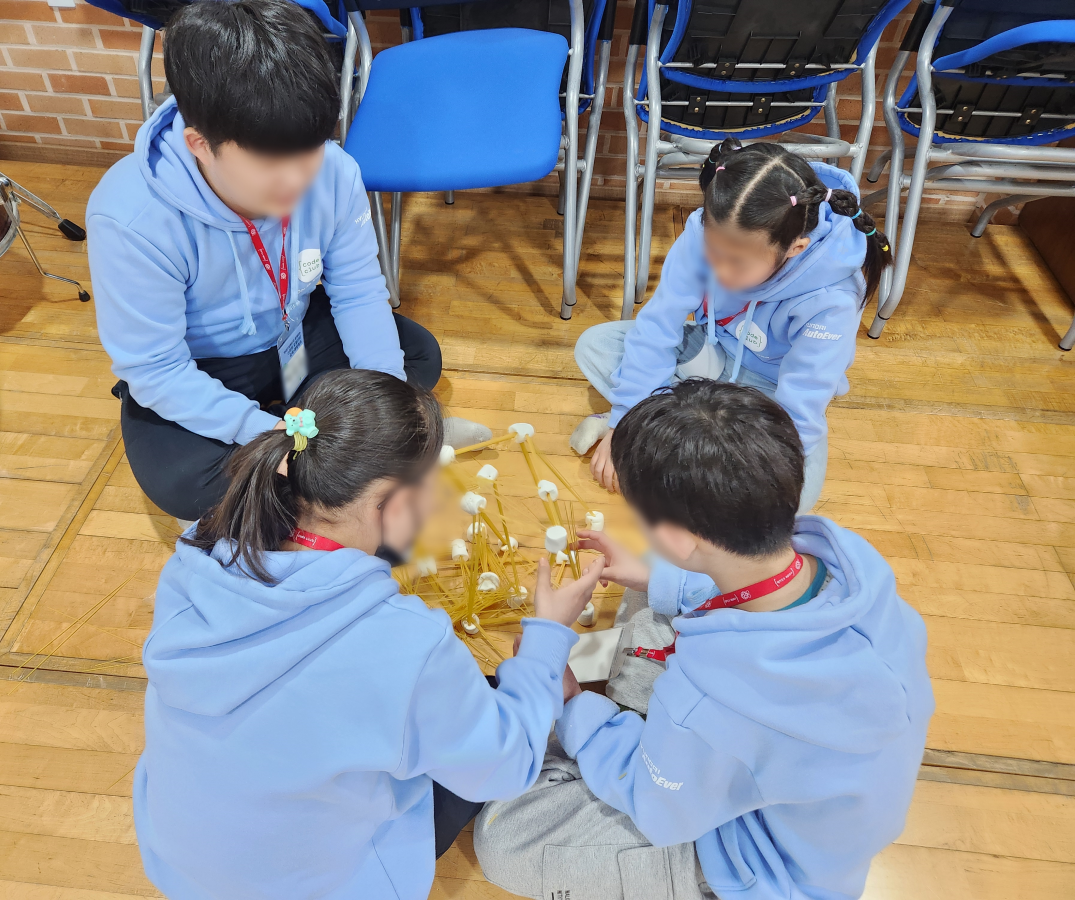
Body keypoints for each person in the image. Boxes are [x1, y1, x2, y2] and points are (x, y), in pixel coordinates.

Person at [134, 368, 606, 900]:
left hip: (179, 864)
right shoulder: (407, 645)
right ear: (395, 503)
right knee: (484, 711)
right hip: (312, 888)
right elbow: (504, 767)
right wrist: (545, 641)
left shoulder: (197, 550)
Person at [474, 379, 934, 900]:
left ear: (677, 538)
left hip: (757, 861)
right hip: (812, 808)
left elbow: (657, 804)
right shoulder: (854, 565)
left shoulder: (713, 699)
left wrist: (572, 701)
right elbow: (747, 590)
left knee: (503, 839)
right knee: (652, 599)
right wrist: (660, 577)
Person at [86, 0, 487, 522]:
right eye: (272, 165)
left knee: (414, 356)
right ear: (200, 145)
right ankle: (331, 472)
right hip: (203, 365)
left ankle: (332, 468)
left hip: (292, 332)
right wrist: (264, 431)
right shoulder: (130, 217)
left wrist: (388, 412)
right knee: (183, 483)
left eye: (311, 151)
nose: (299, 181)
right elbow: (156, 369)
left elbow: (359, 292)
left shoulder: (335, 171)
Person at [570, 139, 893, 512]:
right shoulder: (703, 232)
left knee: (794, 501)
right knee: (597, 345)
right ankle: (674, 435)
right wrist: (624, 421)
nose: (719, 271)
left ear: (796, 248)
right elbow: (657, 329)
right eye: (713, 252)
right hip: (712, 355)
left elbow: (802, 403)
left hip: (771, 391)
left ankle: (669, 433)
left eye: (737, 262)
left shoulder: (832, 298)